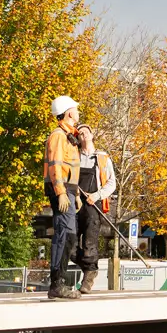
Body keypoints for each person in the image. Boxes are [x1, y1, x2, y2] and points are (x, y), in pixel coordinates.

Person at [43, 94, 83, 299]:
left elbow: (70, 169)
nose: (78, 112)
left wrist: (74, 193)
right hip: (61, 190)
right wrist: (61, 193)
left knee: (69, 235)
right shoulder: (59, 135)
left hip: (68, 190)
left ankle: (58, 283)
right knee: (64, 235)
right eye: (75, 109)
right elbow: (56, 165)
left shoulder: (69, 136)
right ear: (69, 113)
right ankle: (57, 284)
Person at [72, 124, 118, 293]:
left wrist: (97, 195)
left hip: (93, 205)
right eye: (80, 133)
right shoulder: (74, 156)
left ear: (92, 135)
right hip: (76, 203)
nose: (83, 134)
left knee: (90, 243)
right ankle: (88, 266)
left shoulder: (102, 158)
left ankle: (89, 277)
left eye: (86, 132)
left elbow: (112, 183)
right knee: (70, 244)